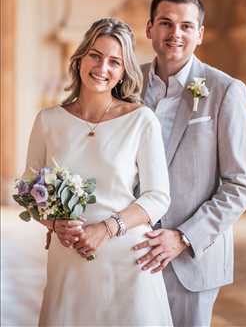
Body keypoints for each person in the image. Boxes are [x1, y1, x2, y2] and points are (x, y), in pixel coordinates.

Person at [23, 18, 173, 326]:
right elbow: (28, 191)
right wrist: (53, 222)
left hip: (127, 260)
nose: (102, 67)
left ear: (123, 71)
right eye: (95, 55)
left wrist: (106, 229)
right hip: (69, 260)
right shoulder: (48, 120)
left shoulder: (141, 120)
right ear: (79, 59)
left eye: (114, 61)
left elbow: (158, 197)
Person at [133, 0, 246, 327]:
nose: (176, 34)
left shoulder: (226, 91)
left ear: (200, 34)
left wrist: (184, 237)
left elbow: (240, 185)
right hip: (127, 252)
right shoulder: (126, 84)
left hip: (189, 261)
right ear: (149, 29)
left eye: (186, 26)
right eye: (166, 23)